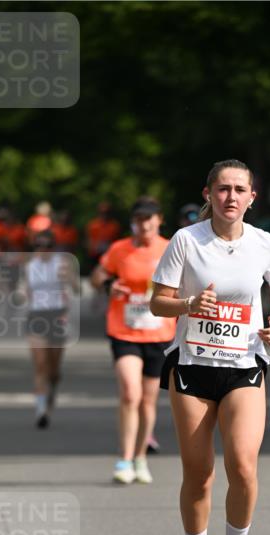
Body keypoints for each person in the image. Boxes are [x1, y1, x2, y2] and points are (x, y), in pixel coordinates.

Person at [151, 159, 270, 535]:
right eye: (223, 189)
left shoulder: (265, 243)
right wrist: (191, 303)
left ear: (252, 198)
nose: (231, 197)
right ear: (208, 194)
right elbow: (158, 303)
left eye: (239, 189)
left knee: (244, 466)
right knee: (199, 472)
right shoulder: (186, 241)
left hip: (244, 365)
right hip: (192, 366)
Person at [91, 198, 176, 484]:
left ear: (159, 220)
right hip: (124, 330)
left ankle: (140, 456)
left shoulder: (170, 248)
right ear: (133, 222)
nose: (144, 224)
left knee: (148, 401)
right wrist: (107, 285)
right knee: (130, 393)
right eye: (139, 219)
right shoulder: (119, 249)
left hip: (159, 333)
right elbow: (98, 274)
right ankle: (124, 459)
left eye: (149, 218)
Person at [23, 229, 79, 428]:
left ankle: (52, 390)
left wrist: (68, 278)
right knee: (40, 365)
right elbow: (24, 291)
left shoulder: (62, 263)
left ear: (53, 248)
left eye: (48, 246)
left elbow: (76, 289)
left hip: (57, 315)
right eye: (39, 245)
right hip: (36, 316)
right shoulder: (30, 266)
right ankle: (41, 411)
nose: (43, 250)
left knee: (53, 369)